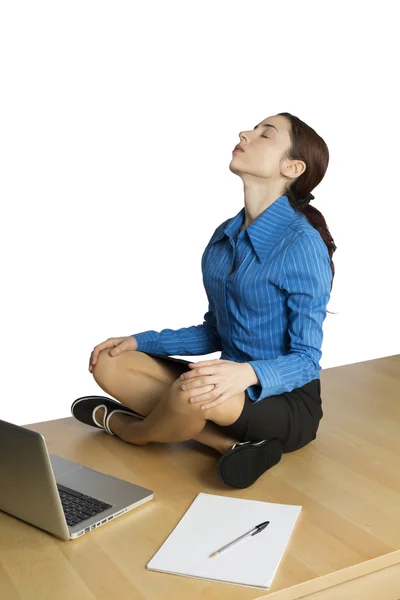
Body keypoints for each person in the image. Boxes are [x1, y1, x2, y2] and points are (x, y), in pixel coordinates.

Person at [72, 112, 337, 489]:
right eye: (252, 128)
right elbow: (214, 332)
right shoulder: (223, 237)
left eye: (265, 134)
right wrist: (139, 341)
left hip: (285, 401)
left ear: (291, 167)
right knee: (110, 365)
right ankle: (228, 444)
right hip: (220, 386)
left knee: (194, 391)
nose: (245, 133)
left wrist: (247, 373)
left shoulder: (301, 243)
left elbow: (308, 360)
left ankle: (130, 430)